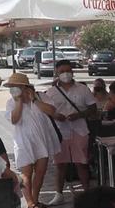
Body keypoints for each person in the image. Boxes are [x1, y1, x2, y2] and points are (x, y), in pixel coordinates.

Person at [40, 59, 95, 197]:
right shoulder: (51, 92)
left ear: (72, 72)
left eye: (68, 71)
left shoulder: (83, 89)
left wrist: (79, 115)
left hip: (80, 130)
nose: (65, 74)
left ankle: (87, 193)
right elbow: (46, 111)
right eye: (62, 71)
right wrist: (55, 116)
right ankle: (58, 194)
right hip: (60, 132)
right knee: (60, 165)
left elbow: (93, 109)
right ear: (56, 73)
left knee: (81, 163)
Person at [5, 72, 59, 208]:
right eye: (11, 87)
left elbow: (52, 111)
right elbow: (14, 120)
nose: (13, 89)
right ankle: (30, 203)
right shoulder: (11, 103)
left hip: (42, 140)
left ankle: (35, 200)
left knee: (40, 172)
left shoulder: (41, 96)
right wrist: (18, 102)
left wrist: (34, 99)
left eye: (16, 87)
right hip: (23, 141)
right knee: (26, 173)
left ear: (25, 87)